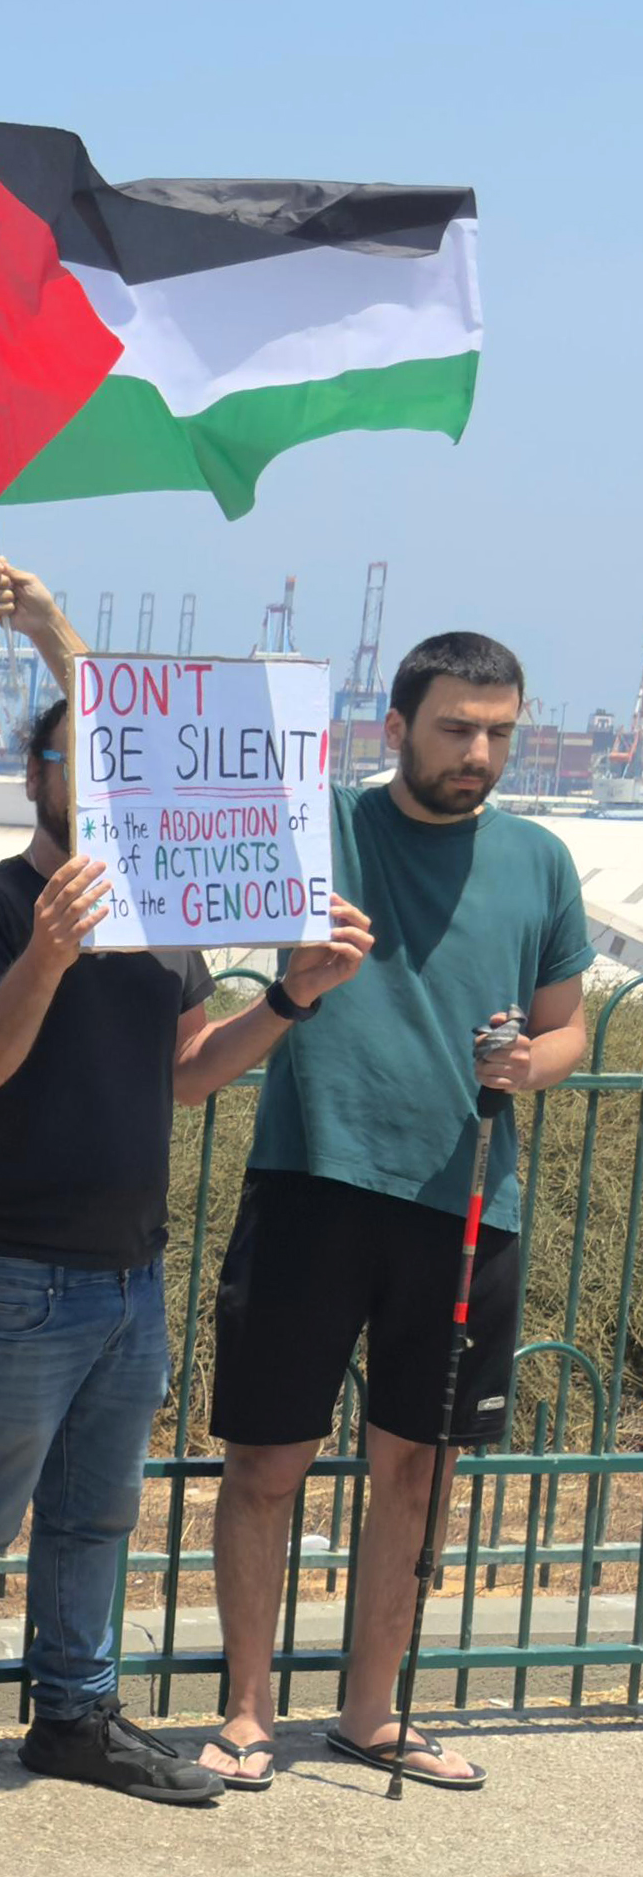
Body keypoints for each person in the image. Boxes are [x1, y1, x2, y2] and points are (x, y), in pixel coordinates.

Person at [0, 562, 371, 1822]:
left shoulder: (172, 914)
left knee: (97, 1518)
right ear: (39, 777)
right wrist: (49, 947)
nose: (99, 779)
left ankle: (72, 1714)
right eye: (76, 757)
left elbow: (191, 1076)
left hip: (127, 1273)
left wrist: (293, 997)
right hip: (9, 1266)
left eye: (117, 763)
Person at [202, 630, 590, 1792]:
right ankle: (246, 1714)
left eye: (499, 733)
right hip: (312, 1185)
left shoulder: (540, 861)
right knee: (267, 1463)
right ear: (396, 730)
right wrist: (45, 632)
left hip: (467, 1199)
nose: (480, 753)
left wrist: (535, 1066)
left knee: (416, 1471)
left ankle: (371, 1712)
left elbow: (567, 1026)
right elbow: (160, 755)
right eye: (457, 729)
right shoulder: (323, 821)